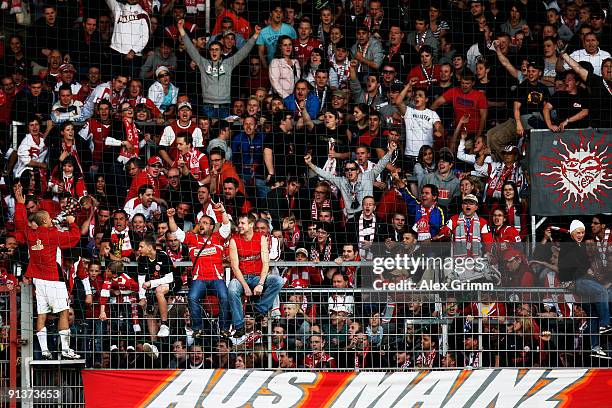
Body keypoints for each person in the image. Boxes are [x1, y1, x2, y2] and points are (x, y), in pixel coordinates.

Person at [14, 184, 82, 359]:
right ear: (44, 221)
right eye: (49, 219)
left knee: (42, 314)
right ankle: (66, 350)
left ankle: (45, 350)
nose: (52, 220)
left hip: (38, 280)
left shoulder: (30, 234)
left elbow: (21, 222)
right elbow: (74, 239)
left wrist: (21, 204)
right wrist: (73, 224)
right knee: (63, 312)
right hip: (53, 279)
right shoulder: (52, 235)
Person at [168, 203, 232, 337]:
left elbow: (226, 226)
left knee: (225, 298)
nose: (201, 225)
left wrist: (222, 211)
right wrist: (170, 217)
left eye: (205, 222)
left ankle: (224, 328)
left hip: (216, 278)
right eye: (200, 222)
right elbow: (176, 232)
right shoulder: (192, 238)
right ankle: (197, 328)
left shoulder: (217, 238)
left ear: (211, 227)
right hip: (199, 279)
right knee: (192, 298)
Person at [179, 19, 261, 119]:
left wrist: (255, 35)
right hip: (207, 107)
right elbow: (190, 48)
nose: (214, 52)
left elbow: (244, 51)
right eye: (212, 50)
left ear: (221, 51)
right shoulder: (203, 63)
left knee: (225, 133)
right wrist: (181, 29)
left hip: (224, 107)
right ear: (209, 52)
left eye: (217, 50)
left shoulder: (229, 63)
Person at [558, 220, 612, 359]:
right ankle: (605, 324)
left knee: (594, 312)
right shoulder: (569, 245)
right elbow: (574, 268)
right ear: (572, 232)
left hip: (580, 280)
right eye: (578, 232)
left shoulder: (578, 246)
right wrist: (588, 273)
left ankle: (595, 347)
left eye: (582, 232)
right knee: (602, 292)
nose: (581, 235)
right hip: (573, 281)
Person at [304, 142, 397, 221]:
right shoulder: (342, 181)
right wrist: (310, 164)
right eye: (347, 170)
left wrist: (391, 150)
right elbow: (325, 174)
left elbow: (381, 164)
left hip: (366, 217)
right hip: (351, 219)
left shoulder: (368, 177)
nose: (349, 172)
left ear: (357, 171)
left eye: (352, 169)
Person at [228, 214, 283, 337]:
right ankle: (239, 326)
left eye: (242, 223)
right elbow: (235, 267)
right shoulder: (234, 240)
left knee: (278, 281)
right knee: (232, 289)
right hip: (241, 278)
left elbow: (265, 263)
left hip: (257, 277)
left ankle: (259, 310)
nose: (239, 226)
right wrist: (246, 287)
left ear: (251, 225)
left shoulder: (261, 238)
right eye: (239, 223)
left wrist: (261, 284)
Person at [137, 237, 176, 338]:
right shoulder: (142, 259)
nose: (139, 249)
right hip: (151, 288)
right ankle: (153, 343)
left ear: (149, 247)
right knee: (149, 311)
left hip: (169, 283)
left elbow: (170, 278)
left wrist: (152, 283)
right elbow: (141, 280)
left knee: (159, 290)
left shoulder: (162, 256)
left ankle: (164, 324)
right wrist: (142, 297)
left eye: (141, 247)